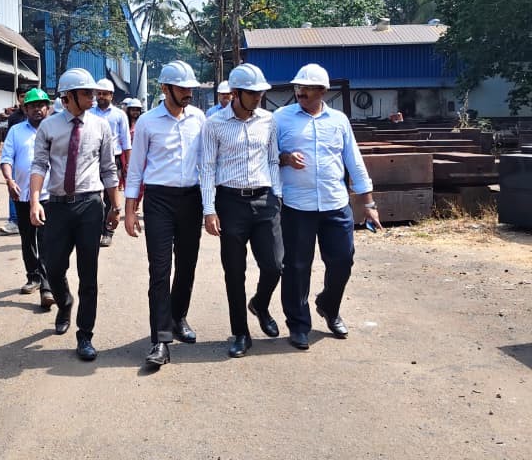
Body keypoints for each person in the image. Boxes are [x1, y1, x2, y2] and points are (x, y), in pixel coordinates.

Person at [274, 63, 382, 351]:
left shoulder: (338, 121)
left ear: (322, 91)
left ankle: (328, 306)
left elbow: (354, 161)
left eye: (307, 88)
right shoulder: (281, 118)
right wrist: (285, 158)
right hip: (297, 205)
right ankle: (298, 325)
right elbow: (267, 155)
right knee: (296, 267)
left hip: (335, 204)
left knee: (343, 261)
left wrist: (368, 203)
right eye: (298, 87)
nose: (301, 92)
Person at [29, 68, 119, 361]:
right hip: (57, 205)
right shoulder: (49, 127)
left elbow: (109, 168)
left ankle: (85, 335)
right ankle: (65, 301)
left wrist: (115, 206)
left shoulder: (101, 126)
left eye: (93, 92)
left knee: (88, 273)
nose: (93, 97)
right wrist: (34, 201)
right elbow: (39, 165)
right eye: (86, 93)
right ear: (68, 96)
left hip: (90, 205)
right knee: (53, 266)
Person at [124, 61, 205, 368]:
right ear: (165, 88)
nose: (187, 93)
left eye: (190, 88)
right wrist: (130, 210)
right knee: (160, 270)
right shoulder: (148, 122)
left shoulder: (199, 119)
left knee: (187, 265)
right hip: (158, 201)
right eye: (181, 88)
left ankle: (178, 316)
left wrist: (211, 205)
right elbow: (136, 169)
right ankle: (160, 339)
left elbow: (207, 163)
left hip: (191, 199)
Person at [200, 63, 283, 358]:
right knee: (234, 272)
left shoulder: (268, 121)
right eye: (252, 92)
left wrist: (277, 196)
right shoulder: (214, 124)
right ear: (235, 93)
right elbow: (207, 168)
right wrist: (209, 210)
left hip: (264, 200)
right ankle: (240, 333)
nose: (258, 97)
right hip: (230, 203)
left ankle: (260, 304)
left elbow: (273, 160)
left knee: (275, 265)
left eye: (261, 92)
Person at [0, 88, 55, 308]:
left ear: (48, 108)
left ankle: (47, 286)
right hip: (22, 194)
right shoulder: (16, 131)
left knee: (47, 240)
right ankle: (33, 276)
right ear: (25, 109)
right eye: (32, 106)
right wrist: (9, 180)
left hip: (50, 195)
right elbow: (6, 159)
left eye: (41, 105)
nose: (37, 109)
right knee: (27, 238)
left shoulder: (55, 129)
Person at [90, 78, 131, 247]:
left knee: (110, 196)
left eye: (104, 94)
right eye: (98, 93)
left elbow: (126, 141)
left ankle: (107, 232)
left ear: (111, 95)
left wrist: (128, 164)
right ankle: (94, 229)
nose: (101, 96)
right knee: (92, 196)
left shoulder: (119, 115)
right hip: (93, 159)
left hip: (113, 159)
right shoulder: (89, 113)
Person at [1, 88, 28, 235]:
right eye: (22, 96)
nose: (25, 99)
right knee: (14, 188)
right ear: (18, 98)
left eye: (27, 96)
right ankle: (14, 221)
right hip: (17, 160)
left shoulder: (42, 118)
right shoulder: (14, 118)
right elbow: (9, 142)